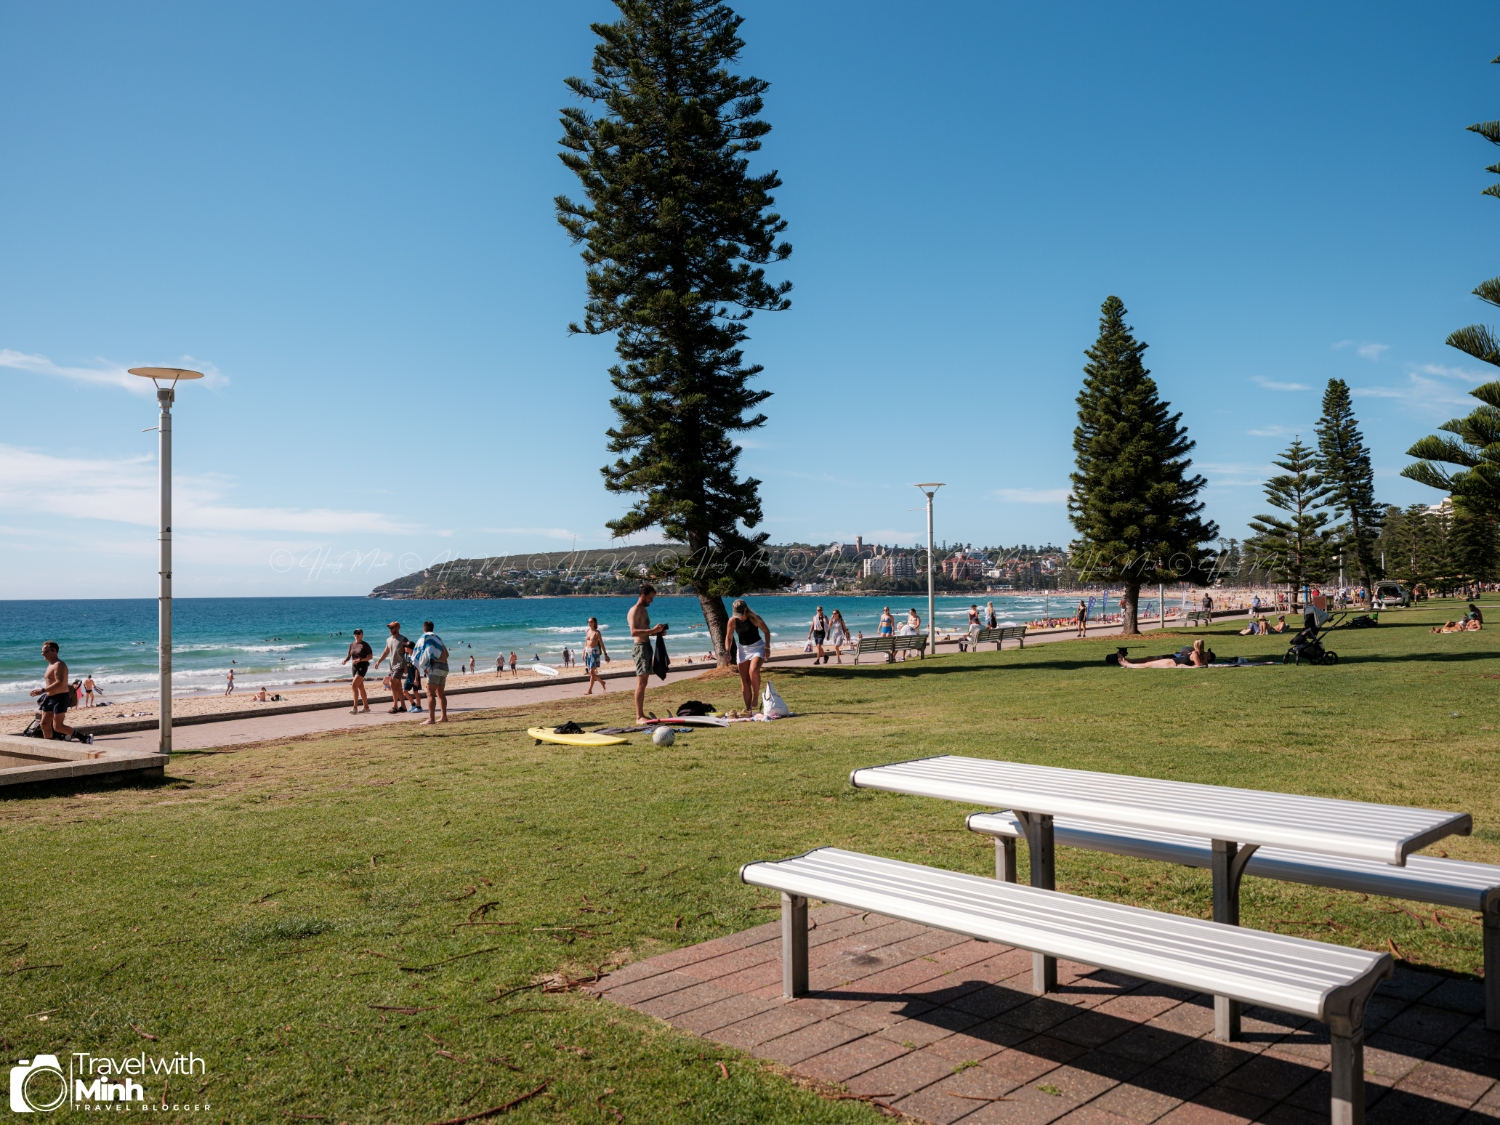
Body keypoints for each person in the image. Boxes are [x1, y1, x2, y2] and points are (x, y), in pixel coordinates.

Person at [628, 584, 668, 724]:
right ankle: (639, 716)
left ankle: (641, 715)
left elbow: (645, 629)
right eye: (650, 598)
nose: (652, 601)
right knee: (641, 682)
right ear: (643, 596)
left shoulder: (644, 610)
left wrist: (658, 631)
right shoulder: (634, 611)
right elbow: (633, 632)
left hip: (646, 646)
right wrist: (652, 631)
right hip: (640, 648)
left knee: (644, 682)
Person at [30, 641, 82, 741]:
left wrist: (42, 690)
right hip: (49, 698)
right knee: (44, 724)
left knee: (58, 726)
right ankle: (49, 745)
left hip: (60, 697)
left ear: (54, 651)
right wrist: (44, 692)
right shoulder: (50, 664)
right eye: (42, 651)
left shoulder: (59, 665)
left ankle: (84, 737)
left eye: (45, 651)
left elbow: (59, 682)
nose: (42, 654)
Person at [724, 598, 770, 710]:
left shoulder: (755, 618)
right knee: (744, 680)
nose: (738, 616)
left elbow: (766, 631)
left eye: (740, 613)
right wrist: (727, 651)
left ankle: (756, 696)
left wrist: (767, 647)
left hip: (757, 647)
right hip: (743, 649)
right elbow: (729, 637)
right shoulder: (733, 621)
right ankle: (748, 709)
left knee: (753, 670)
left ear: (745, 610)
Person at [411, 621, 449, 724]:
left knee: (430, 693)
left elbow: (427, 651)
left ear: (424, 629)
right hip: (445, 666)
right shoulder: (438, 639)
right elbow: (447, 654)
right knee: (440, 693)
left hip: (435, 667)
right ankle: (444, 717)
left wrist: (424, 664)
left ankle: (431, 719)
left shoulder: (426, 638)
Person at [372, 621, 410, 713]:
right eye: (389, 628)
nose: (390, 629)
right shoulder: (388, 640)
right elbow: (386, 652)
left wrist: (407, 665)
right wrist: (379, 661)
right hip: (392, 666)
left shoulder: (403, 639)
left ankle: (395, 706)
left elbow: (409, 653)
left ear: (398, 628)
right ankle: (403, 706)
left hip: (400, 665)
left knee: (392, 683)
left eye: (392, 628)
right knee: (398, 685)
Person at [1119, 638, 1212, 668]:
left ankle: (1127, 664)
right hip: (1173, 661)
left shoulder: (1196, 654)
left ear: (1196, 646)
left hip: (1173, 662)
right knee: (1148, 663)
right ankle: (1128, 663)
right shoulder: (1201, 654)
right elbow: (1203, 665)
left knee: (1148, 664)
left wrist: (1184, 666)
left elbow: (1198, 666)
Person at [341, 628, 373, 714]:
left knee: (354, 686)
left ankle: (354, 708)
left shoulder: (365, 645)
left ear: (362, 635)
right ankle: (366, 707)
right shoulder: (352, 644)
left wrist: (360, 660)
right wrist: (345, 660)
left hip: (362, 667)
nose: (356, 635)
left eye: (358, 633)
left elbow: (370, 657)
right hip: (354, 667)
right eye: (355, 633)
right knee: (360, 687)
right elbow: (349, 655)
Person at [583, 616, 609, 694]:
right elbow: (586, 643)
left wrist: (605, 654)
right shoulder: (587, 631)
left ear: (594, 622)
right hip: (588, 652)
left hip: (595, 652)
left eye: (590, 621)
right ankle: (602, 682)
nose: (589, 623)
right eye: (588, 622)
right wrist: (583, 652)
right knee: (591, 673)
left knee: (591, 672)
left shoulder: (597, 632)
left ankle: (590, 690)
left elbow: (601, 643)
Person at [403, 640, 423, 713]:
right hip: (409, 677)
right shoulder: (406, 656)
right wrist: (405, 670)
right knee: (405, 691)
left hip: (415, 677)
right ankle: (413, 704)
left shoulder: (415, 657)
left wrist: (416, 679)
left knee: (416, 692)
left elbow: (417, 668)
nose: (405, 648)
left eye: (406, 647)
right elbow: (406, 664)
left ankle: (419, 706)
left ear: (411, 648)